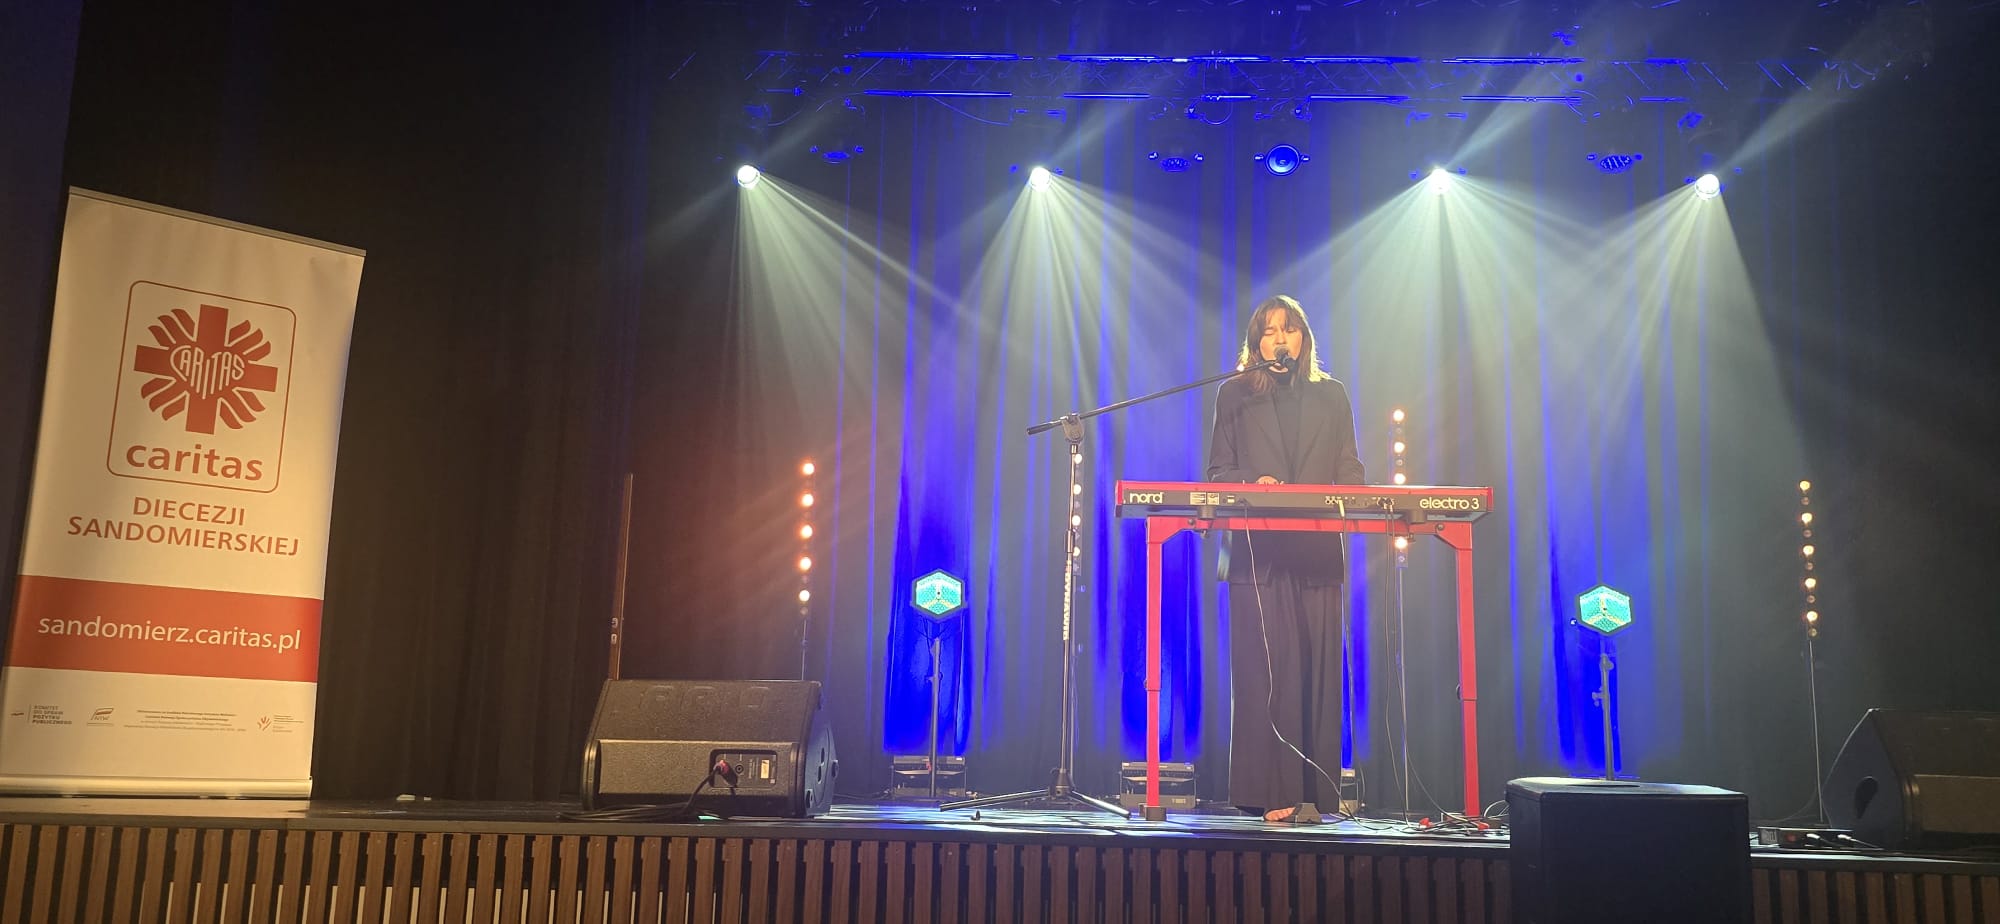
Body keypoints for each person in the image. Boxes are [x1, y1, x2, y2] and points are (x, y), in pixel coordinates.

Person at [1205, 294, 1365, 822]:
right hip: (1258, 554)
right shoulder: (1234, 395)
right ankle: (1270, 794)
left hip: (1316, 552)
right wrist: (1256, 483)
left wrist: (1352, 494)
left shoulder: (1332, 395)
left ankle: (1316, 796)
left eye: (1289, 329)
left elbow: (1350, 467)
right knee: (1267, 677)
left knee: (1316, 673)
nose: (1279, 339)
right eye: (1269, 331)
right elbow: (1218, 473)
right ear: (1256, 345)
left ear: (1303, 340)